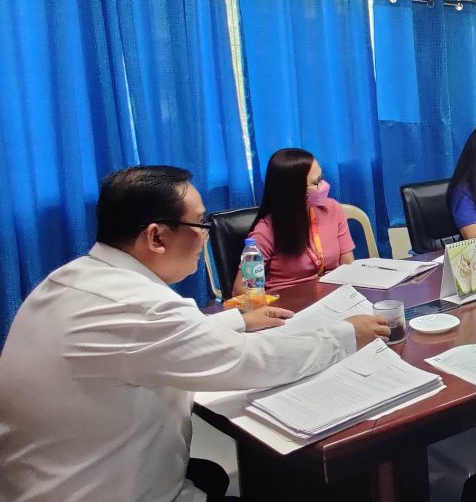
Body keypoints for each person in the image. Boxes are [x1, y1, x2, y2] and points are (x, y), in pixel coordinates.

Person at [0, 166, 389, 502]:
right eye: (201, 225)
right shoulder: (141, 308)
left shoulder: (74, 280)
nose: (205, 236)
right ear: (156, 237)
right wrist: (345, 335)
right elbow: (253, 362)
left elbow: (153, 341)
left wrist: (238, 320)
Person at [235, 148, 354, 295]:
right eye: (316, 182)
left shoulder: (332, 209)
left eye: (321, 177)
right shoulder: (265, 231)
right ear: (294, 190)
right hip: (288, 302)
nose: (324, 185)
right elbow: (241, 290)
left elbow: (347, 264)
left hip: (330, 296)